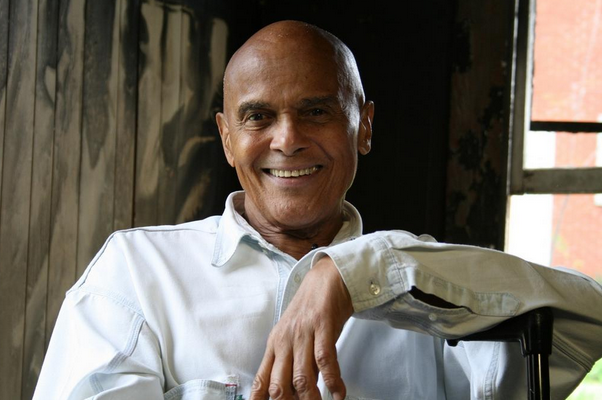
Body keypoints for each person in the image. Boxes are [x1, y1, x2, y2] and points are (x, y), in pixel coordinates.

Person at [34, 20, 602, 400]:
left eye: (316, 112)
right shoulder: (137, 271)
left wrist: (351, 274)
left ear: (364, 126)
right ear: (227, 138)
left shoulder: (433, 294)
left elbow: (589, 316)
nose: (288, 140)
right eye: (258, 117)